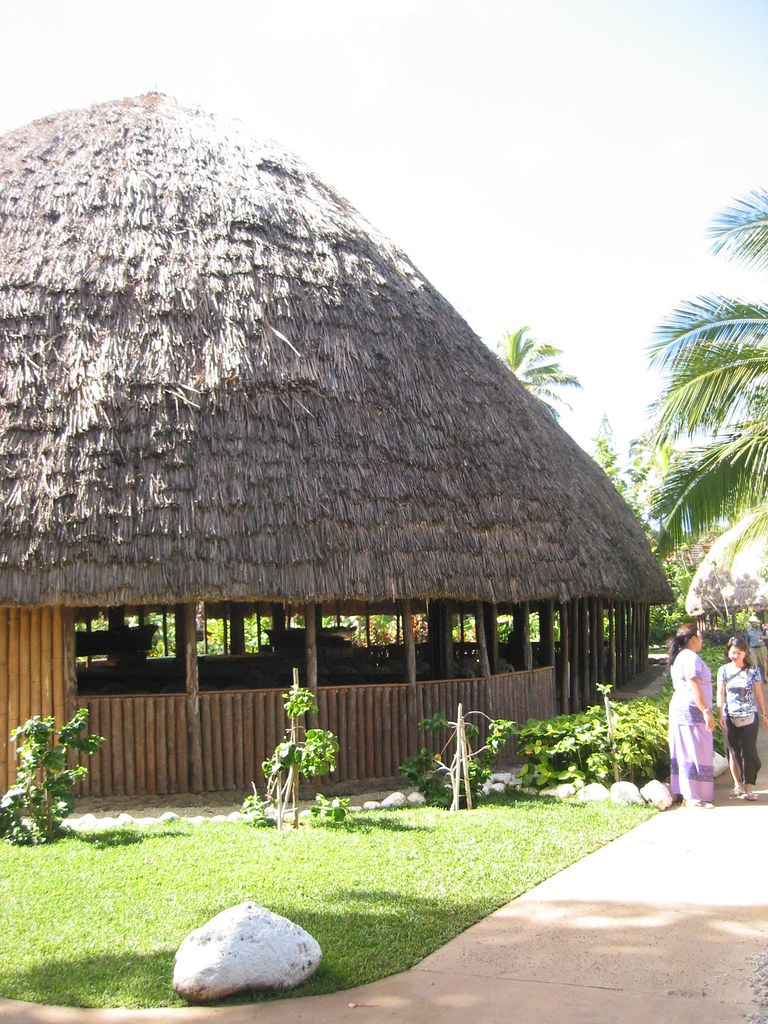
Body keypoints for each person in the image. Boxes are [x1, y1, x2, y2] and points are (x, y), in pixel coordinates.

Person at [668, 624, 715, 807]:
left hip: (682, 710)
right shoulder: (690, 658)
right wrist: (705, 711)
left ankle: (687, 794)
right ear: (693, 638)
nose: (702, 640)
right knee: (695, 752)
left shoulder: (681, 656)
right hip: (692, 711)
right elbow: (694, 684)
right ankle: (693, 796)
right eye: (701, 637)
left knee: (687, 751)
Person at [717, 635, 768, 800]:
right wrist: (720, 714)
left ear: (745, 653)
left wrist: (764, 713)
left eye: (739, 652)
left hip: (750, 716)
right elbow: (720, 693)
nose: (735, 656)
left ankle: (749, 788)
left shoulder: (753, 671)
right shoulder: (723, 670)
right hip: (730, 716)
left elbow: (759, 693)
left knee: (749, 752)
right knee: (733, 752)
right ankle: (738, 785)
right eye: (733, 652)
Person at [746, 614, 768, 680]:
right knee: (754, 665)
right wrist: (748, 650)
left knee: (764, 664)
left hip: (762, 648)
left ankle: (765, 678)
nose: (753, 623)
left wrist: (763, 637)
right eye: (751, 622)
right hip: (753, 649)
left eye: (754, 622)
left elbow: (767, 637)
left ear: (757, 622)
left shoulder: (762, 629)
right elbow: (747, 640)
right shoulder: (748, 631)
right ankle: (756, 679)